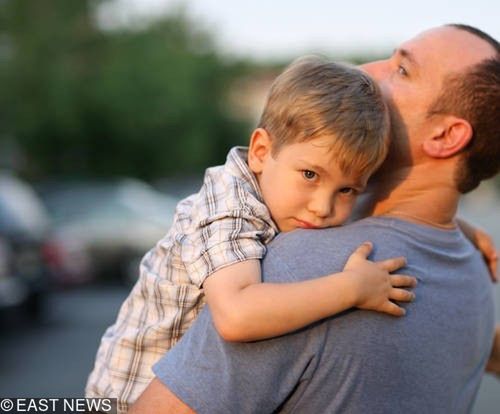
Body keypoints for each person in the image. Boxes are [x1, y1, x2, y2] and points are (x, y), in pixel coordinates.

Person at [129, 23, 500, 413]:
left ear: (446, 136)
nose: (364, 72)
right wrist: (458, 228)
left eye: (402, 70)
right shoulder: (472, 272)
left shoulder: (306, 268)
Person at [87, 57, 425, 412]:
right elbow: (237, 315)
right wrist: (351, 289)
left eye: (347, 191)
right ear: (262, 151)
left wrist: (461, 229)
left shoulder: (288, 197)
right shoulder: (228, 204)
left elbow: (385, 201)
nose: (323, 208)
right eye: (310, 175)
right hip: (131, 398)